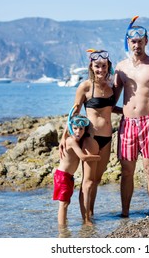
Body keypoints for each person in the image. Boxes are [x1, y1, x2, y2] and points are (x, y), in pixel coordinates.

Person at [113, 23, 149, 220]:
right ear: (129, 42)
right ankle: (125, 212)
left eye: (140, 41)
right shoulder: (121, 68)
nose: (137, 45)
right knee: (126, 171)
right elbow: (112, 97)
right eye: (133, 41)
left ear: (146, 41)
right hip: (127, 124)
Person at [59, 49, 115, 225]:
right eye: (97, 66)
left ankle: (90, 212)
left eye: (104, 66)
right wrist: (64, 136)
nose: (101, 70)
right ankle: (86, 220)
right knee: (88, 181)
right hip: (91, 138)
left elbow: (110, 109)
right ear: (91, 66)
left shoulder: (111, 86)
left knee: (97, 179)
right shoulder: (85, 87)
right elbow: (74, 112)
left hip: (107, 138)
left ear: (108, 67)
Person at [53, 115, 101, 231]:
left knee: (67, 202)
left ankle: (63, 224)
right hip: (62, 176)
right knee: (63, 204)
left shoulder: (77, 140)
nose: (78, 131)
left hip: (68, 177)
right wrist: (98, 157)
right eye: (75, 128)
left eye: (81, 129)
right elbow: (83, 157)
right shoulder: (71, 141)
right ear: (70, 128)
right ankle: (62, 230)